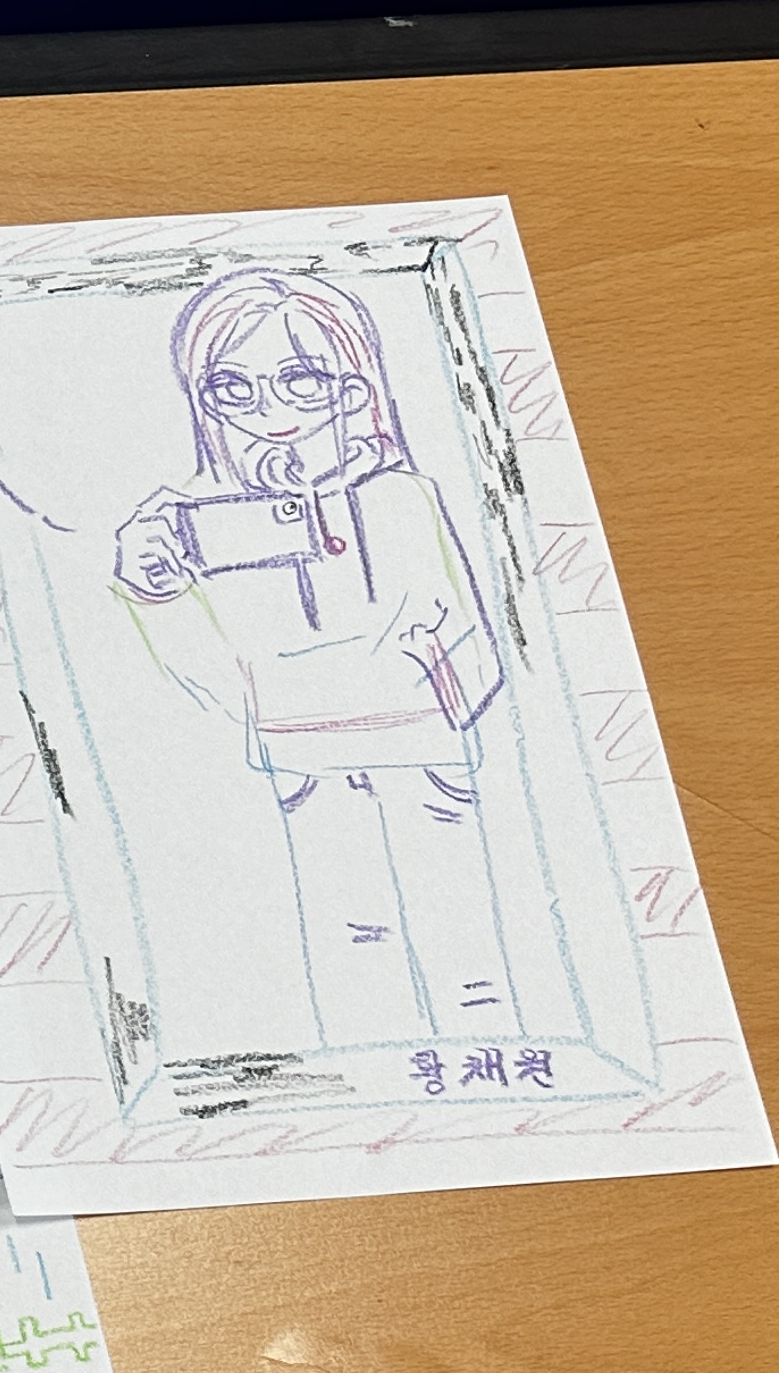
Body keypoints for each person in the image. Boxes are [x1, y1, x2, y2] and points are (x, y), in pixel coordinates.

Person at [107, 265, 516, 1051]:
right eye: (233, 389)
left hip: (421, 746)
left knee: (458, 929)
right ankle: (377, 1068)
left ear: (353, 393)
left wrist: (445, 701)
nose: (270, 414)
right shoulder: (194, 517)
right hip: (304, 753)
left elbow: (464, 626)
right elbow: (194, 675)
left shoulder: (400, 495)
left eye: (300, 381)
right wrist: (153, 588)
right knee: (354, 931)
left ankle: (486, 1055)